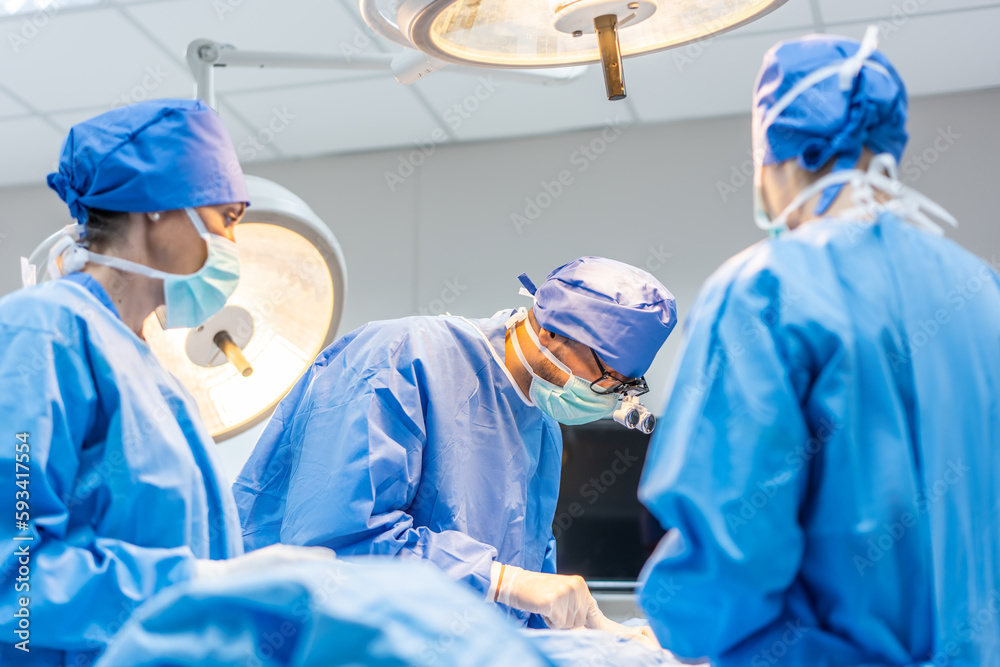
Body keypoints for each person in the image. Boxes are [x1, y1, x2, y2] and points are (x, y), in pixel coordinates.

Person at [637, 26, 1000, 666]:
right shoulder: (982, 291)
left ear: (787, 154)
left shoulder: (764, 291)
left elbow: (728, 558)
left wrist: (679, 631)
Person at [0, 99, 331, 666]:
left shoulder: (152, 372)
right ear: (156, 206)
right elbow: (15, 582)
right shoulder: (42, 330)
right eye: (227, 217)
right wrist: (197, 584)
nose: (233, 242)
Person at [235, 257, 676, 632]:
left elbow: (529, 592)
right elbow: (335, 546)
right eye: (606, 372)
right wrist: (498, 581)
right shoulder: (398, 358)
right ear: (551, 333)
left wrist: (591, 636)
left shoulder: (542, 427)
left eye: (625, 384)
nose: (607, 392)